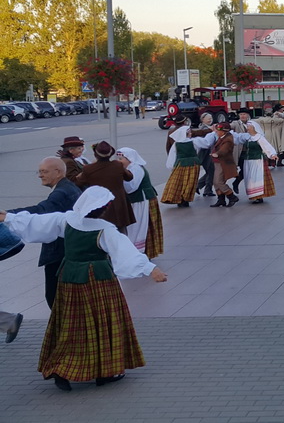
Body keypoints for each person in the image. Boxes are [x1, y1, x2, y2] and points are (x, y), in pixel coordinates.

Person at [0, 187, 168, 391]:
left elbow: (37, 222)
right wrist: (151, 269)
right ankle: (104, 371)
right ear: (104, 208)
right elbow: (124, 251)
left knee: (70, 324)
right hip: (99, 281)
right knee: (103, 323)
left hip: (70, 278)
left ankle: (61, 368)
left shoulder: (67, 220)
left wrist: (8, 217)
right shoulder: (105, 229)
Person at [7, 157, 82, 308]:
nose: (40, 175)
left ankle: (64, 330)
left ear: (58, 172)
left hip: (60, 254)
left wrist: (8, 215)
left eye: (44, 171)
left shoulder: (61, 192)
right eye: (39, 171)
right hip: (67, 252)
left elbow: (41, 210)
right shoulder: (67, 188)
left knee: (55, 298)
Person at [76, 141, 135, 230]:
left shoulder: (88, 168)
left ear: (96, 155)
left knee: (101, 231)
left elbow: (79, 182)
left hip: (99, 205)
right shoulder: (117, 165)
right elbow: (129, 177)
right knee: (120, 232)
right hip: (118, 203)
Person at [118, 148, 165, 258]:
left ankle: (137, 251)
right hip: (137, 201)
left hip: (141, 201)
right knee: (138, 225)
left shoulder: (135, 168)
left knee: (139, 225)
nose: (119, 161)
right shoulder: (130, 168)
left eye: (121, 158)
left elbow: (131, 187)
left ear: (129, 159)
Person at [161, 118, 201, 207]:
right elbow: (198, 150)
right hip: (192, 165)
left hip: (181, 165)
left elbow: (172, 156)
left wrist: (171, 166)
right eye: (189, 132)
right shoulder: (191, 142)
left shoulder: (178, 144)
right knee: (188, 183)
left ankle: (182, 199)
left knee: (180, 182)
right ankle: (183, 199)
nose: (191, 134)